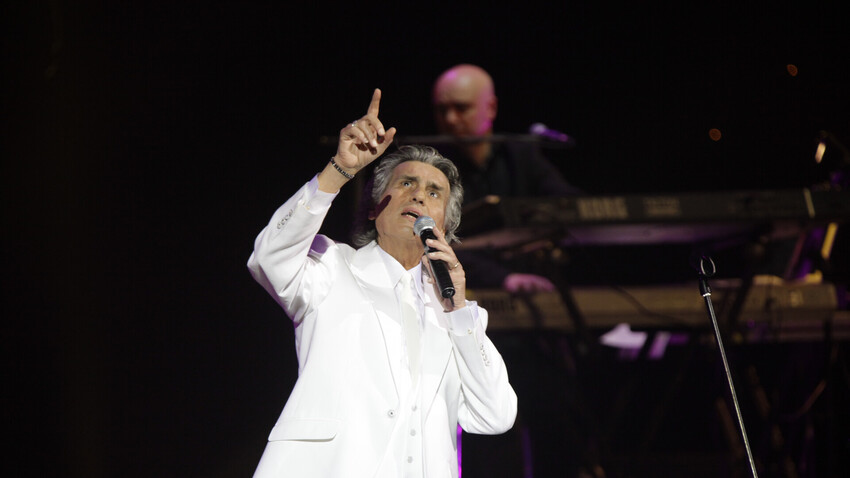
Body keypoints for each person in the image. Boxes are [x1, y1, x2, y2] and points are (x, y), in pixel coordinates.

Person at [247, 88, 517, 477]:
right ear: (375, 208)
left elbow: (494, 416)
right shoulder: (331, 268)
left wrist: (458, 310)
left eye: (434, 192)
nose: (419, 195)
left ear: (445, 226)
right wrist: (339, 170)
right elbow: (268, 256)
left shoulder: (458, 317)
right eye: (406, 183)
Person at [431, 63, 582, 293]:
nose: (450, 119)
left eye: (461, 108)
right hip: (467, 290)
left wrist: (543, 233)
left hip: (533, 283)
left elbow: (568, 204)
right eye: (442, 110)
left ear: (490, 108)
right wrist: (502, 278)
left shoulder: (519, 154)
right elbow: (436, 243)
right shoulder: (432, 166)